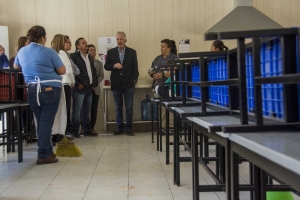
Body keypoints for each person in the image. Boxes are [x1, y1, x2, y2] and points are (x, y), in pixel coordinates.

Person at [13, 25, 66, 165]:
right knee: (46, 122)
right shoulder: (49, 51)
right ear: (43, 38)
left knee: (40, 122)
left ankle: (48, 151)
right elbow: (62, 71)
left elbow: (16, 67)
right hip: (50, 88)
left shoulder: (22, 51)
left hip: (31, 89)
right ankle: (43, 154)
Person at [104, 31, 139, 136]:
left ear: (125, 40)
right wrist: (114, 65)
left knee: (129, 107)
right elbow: (106, 66)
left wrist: (134, 80)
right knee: (118, 107)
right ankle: (120, 128)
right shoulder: (111, 52)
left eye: (121, 39)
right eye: (118, 39)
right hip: (116, 83)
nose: (119, 41)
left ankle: (128, 128)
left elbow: (135, 68)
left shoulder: (132, 52)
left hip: (129, 83)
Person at [70, 38, 98, 138]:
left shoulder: (89, 57)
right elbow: (71, 72)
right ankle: (74, 131)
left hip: (89, 88)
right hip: (79, 88)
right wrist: (77, 84)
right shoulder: (73, 56)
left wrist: (94, 83)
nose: (86, 44)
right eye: (83, 43)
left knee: (87, 111)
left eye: (86, 42)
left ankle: (86, 129)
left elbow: (93, 71)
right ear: (78, 46)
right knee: (77, 111)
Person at [148, 39, 178, 130]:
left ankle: (171, 127)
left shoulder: (174, 58)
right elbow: (150, 70)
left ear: (169, 48)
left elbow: (176, 71)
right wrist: (153, 74)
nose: (161, 48)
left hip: (170, 86)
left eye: (163, 46)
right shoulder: (157, 59)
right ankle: (163, 127)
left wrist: (163, 74)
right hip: (158, 85)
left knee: (171, 106)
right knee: (161, 108)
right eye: (160, 46)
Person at [51, 34, 75, 141]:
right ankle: (64, 133)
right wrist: (73, 81)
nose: (69, 44)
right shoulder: (62, 53)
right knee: (65, 110)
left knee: (58, 110)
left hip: (56, 84)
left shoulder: (53, 53)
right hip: (65, 83)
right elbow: (68, 70)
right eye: (68, 42)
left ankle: (58, 133)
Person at [81, 44, 104, 134]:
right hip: (86, 89)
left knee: (94, 109)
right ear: (87, 51)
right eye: (91, 50)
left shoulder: (99, 63)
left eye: (94, 50)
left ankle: (92, 127)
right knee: (85, 109)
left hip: (95, 89)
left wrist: (94, 83)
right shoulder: (84, 62)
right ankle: (83, 127)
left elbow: (101, 75)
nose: (93, 52)